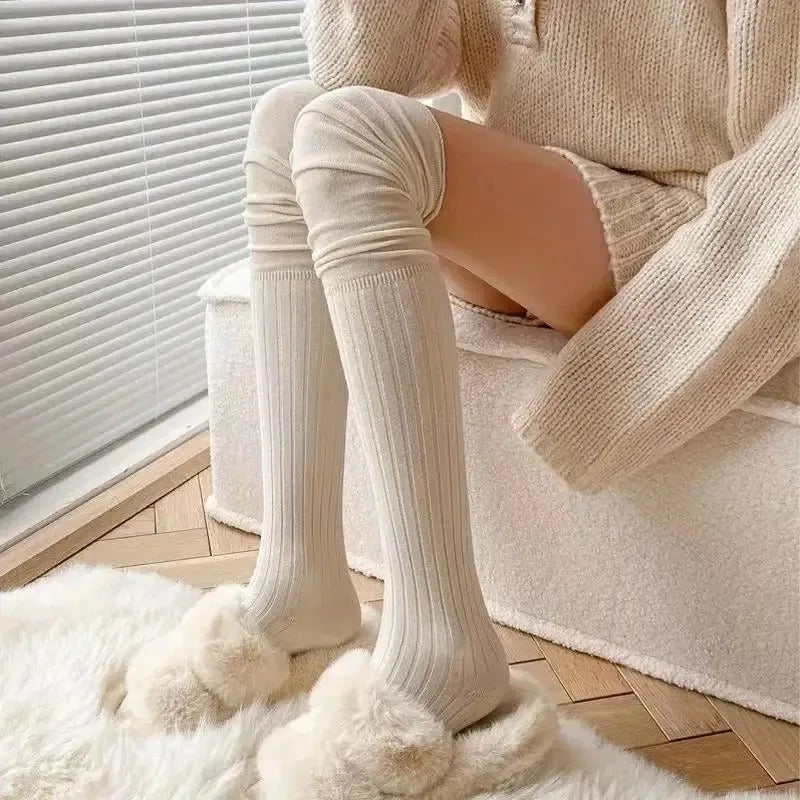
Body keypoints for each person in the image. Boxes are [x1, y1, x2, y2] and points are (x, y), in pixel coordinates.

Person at [127, 0, 799, 775]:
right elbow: (358, 72)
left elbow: (787, 169)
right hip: (530, 206)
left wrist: (627, 371)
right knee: (289, 121)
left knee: (350, 135)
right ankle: (298, 581)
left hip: (685, 219)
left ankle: (443, 643)